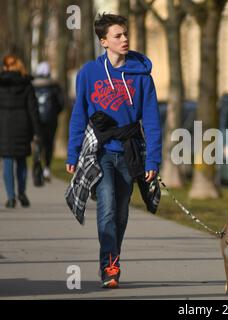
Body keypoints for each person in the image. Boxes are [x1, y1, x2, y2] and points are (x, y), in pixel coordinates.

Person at [66, 13, 162, 289]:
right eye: (118, 35)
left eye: (125, 34)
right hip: (101, 150)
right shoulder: (88, 73)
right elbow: (79, 114)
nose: (125, 39)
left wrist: (153, 159)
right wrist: (72, 153)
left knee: (121, 213)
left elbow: (152, 120)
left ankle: (112, 258)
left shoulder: (142, 76)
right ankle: (110, 266)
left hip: (130, 151)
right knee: (107, 207)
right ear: (104, 41)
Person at [0, 55, 41, 209]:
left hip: (4, 126)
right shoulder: (27, 85)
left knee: (8, 162)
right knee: (22, 161)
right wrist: (37, 131)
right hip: (23, 125)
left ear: (5, 67)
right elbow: (33, 110)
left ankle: (11, 197)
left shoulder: (1, 84)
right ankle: (22, 193)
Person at [32, 61, 64, 181]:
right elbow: (61, 103)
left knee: (38, 141)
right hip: (51, 119)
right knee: (49, 143)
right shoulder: (54, 86)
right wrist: (55, 113)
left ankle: (38, 159)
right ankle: (46, 168)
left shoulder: (32, 85)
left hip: (37, 120)